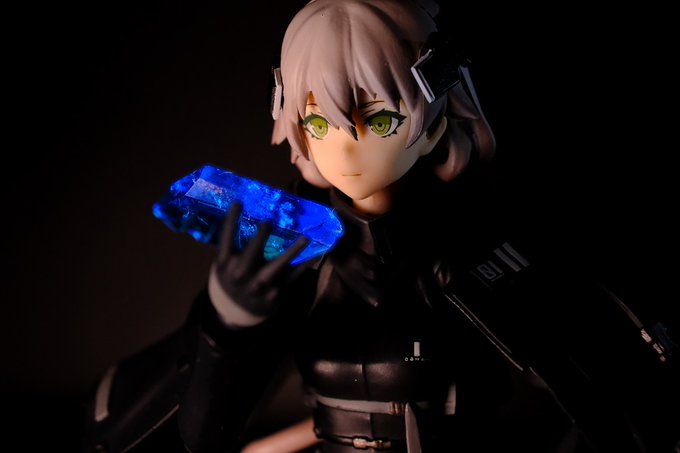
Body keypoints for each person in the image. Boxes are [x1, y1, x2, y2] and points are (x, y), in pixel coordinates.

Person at [82, 1, 678, 452]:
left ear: (434, 115)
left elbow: (608, 407)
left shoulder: (481, 242)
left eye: (381, 120)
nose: (344, 149)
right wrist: (227, 325)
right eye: (319, 124)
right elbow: (203, 436)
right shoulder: (298, 244)